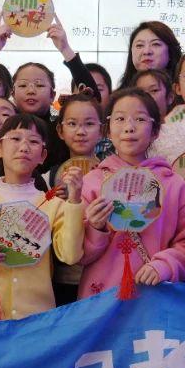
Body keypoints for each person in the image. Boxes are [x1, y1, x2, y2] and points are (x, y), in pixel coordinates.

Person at [0, 115, 84, 322]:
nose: (24, 147)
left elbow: (70, 255)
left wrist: (75, 200)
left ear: (43, 155)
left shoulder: (54, 205)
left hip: (38, 316)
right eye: (15, 139)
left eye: (33, 141)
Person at [78, 88, 185, 300]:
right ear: (108, 130)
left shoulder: (173, 184)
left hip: (154, 297)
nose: (129, 127)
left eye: (140, 119)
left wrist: (166, 265)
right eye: (120, 119)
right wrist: (96, 228)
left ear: (155, 131)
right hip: (101, 301)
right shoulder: (92, 182)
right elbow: (78, 256)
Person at [47, 92, 104, 303]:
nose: (80, 131)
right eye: (72, 124)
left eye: (89, 124)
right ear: (60, 131)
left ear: (102, 130)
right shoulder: (48, 178)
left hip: (103, 274)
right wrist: (55, 201)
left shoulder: (113, 175)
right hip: (62, 277)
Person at [117, 20, 182, 91]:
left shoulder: (184, 93)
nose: (146, 51)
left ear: (170, 52)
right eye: (139, 45)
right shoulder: (117, 96)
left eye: (155, 44)